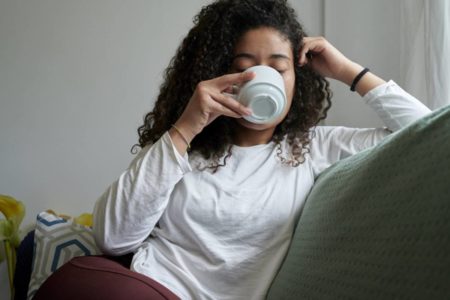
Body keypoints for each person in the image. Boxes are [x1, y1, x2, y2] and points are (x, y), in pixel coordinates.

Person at [93, 0, 431, 299]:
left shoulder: (312, 147)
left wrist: (346, 70)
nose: (259, 79)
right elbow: (113, 238)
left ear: (297, 77)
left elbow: (429, 135)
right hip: (150, 287)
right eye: (244, 69)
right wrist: (186, 126)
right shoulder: (182, 146)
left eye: (278, 68)